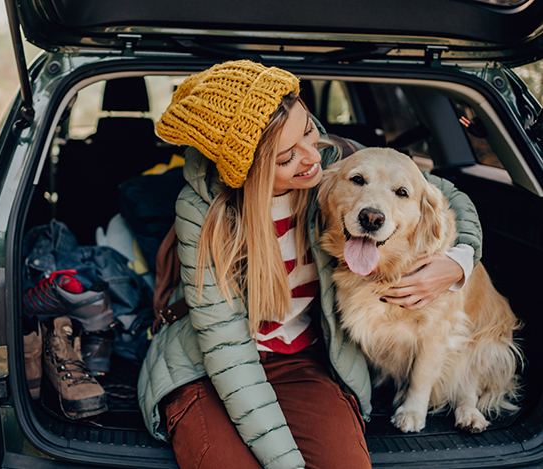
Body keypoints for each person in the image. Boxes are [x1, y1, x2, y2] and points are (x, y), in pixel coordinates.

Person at [136, 60, 481, 469]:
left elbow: (447, 194)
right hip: (211, 364)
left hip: (304, 357)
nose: (311, 157)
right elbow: (227, 351)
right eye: (286, 158)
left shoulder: (339, 163)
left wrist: (459, 263)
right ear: (247, 169)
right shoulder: (202, 212)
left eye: (307, 130)